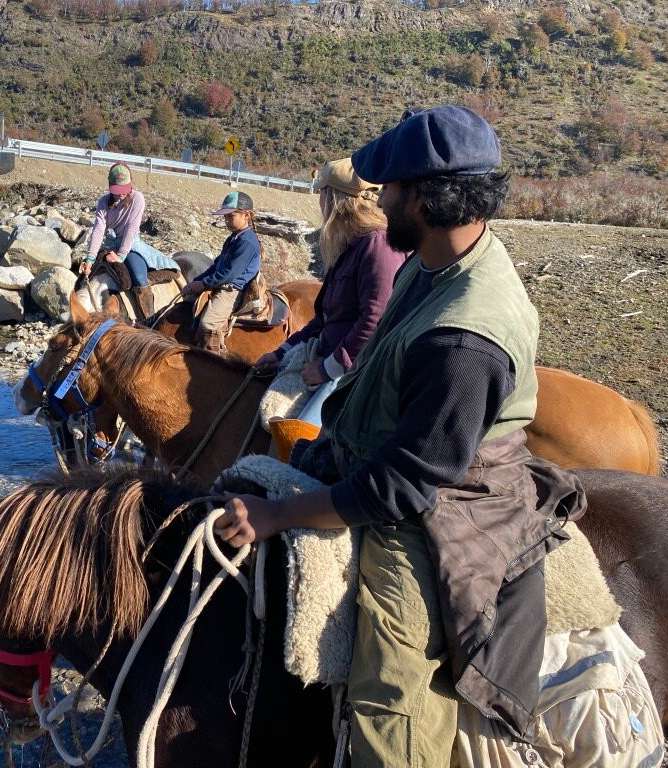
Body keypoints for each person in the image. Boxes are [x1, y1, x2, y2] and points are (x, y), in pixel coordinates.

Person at [213, 106, 586, 766]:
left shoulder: (466, 337)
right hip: (381, 457)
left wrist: (279, 515)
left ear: (423, 197)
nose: (379, 203)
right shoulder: (431, 262)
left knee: (391, 691)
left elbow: (403, 487)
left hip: (445, 504)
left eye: (388, 189)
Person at [252, 158, 407, 426]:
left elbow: (375, 320)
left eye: (322, 193)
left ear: (334, 199)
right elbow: (323, 320)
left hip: (354, 371)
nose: (319, 201)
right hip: (328, 358)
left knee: (301, 436)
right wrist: (281, 353)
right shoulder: (351, 246)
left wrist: (327, 369)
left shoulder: (377, 245)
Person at [80, 163, 179, 319]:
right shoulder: (103, 202)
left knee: (138, 277)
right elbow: (98, 230)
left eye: (124, 189)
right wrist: (90, 259)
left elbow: (131, 229)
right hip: (110, 244)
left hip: (131, 245)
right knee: (85, 277)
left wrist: (120, 257)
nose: (120, 194)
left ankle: (148, 319)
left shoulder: (137, 198)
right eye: (117, 190)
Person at [181, 190, 262, 353]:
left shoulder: (247, 242)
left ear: (246, 215)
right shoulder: (233, 238)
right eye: (225, 216)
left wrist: (203, 284)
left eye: (231, 216)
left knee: (208, 323)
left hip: (232, 289)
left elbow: (229, 274)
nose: (226, 220)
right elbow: (216, 266)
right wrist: (197, 281)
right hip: (221, 283)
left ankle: (213, 360)